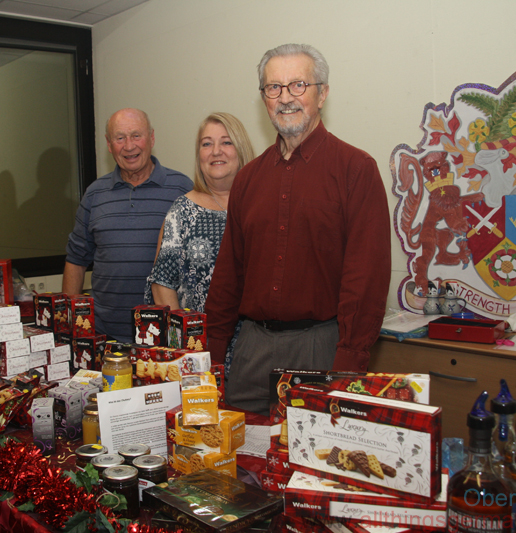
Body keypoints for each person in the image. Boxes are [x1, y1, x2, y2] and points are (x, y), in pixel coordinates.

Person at [205, 44, 391, 415]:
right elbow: (229, 276)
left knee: (312, 466)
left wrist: (346, 369)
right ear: (264, 99)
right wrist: (210, 356)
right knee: (239, 464)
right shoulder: (248, 179)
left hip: (320, 348)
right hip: (251, 350)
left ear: (322, 93)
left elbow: (365, 280)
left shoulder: (357, 169)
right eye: (274, 88)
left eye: (298, 85)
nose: (285, 98)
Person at [63, 108, 193, 342]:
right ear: (109, 144)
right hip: (105, 336)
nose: (129, 146)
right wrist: (71, 327)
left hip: (164, 339)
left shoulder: (182, 189)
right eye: (120, 138)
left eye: (136, 135)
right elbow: (76, 259)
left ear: (151, 138)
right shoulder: (94, 194)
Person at [145, 112, 255, 373]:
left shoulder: (262, 206)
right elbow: (162, 285)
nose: (216, 151)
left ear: (241, 149)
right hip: (199, 350)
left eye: (226, 142)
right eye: (206, 144)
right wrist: (184, 351)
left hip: (255, 352)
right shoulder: (182, 211)